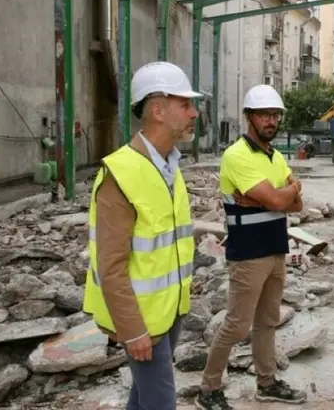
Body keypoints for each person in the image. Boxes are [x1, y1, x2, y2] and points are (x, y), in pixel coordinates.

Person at [83, 61, 201, 410]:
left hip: (170, 310)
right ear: (158, 109)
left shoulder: (169, 166)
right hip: (142, 320)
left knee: (143, 395)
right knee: (161, 400)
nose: (194, 112)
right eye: (186, 104)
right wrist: (133, 330)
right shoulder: (120, 174)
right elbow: (111, 265)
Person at [195, 85, 307, 410]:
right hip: (248, 254)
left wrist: (289, 191)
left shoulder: (276, 155)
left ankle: (267, 382)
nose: (271, 121)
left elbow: (297, 204)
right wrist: (282, 193)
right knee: (237, 325)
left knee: (267, 321)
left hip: (275, 248)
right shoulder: (237, 156)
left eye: (275, 115)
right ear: (249, 118)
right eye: (264, 115)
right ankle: (208, 389)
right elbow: (279, 199)